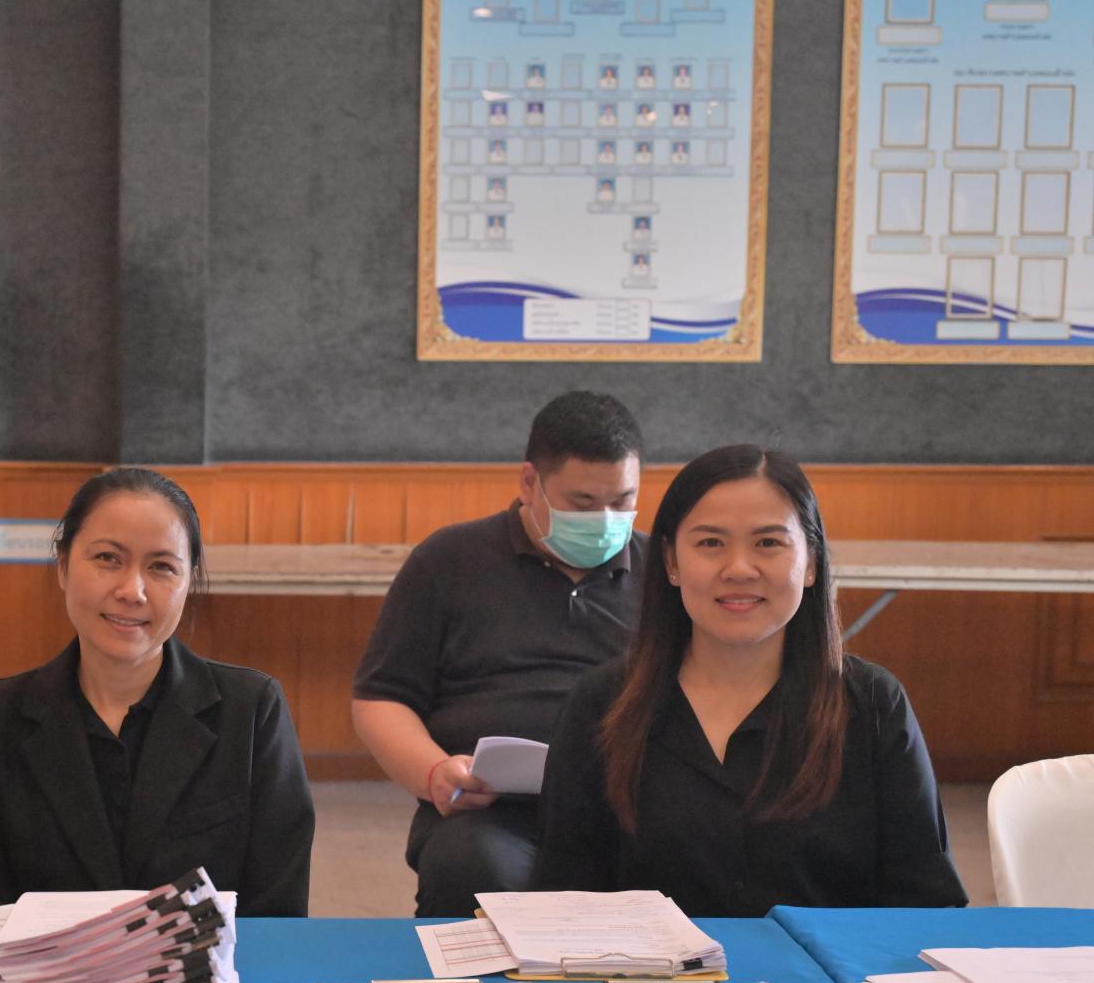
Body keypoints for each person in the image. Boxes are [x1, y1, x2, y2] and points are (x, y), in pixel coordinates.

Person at [534, 445, 967, 915]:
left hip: (825, 965)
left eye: (768, 543)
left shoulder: (874, 705)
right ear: (671, 562)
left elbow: (927, 906)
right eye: (710, 543)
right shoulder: (603, 705)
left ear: (812, 562)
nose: (739, 569)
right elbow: (562, 901)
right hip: (643, 965)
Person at [0, 467, 315, 916]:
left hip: (210, 965)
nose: (132, 590)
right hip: (45, 965)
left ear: (188, 582)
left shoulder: (252, 711)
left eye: (161, 567)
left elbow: (278, 912)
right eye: (107, 558)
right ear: (63, 566)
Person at [352, 392, 646, 916]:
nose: (605, 521)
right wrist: (435, 773)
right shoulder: (448, 561)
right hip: (488, 809)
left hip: (626, 806)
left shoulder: (667, 574)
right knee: (473, 869)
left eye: (622, 502)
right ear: (530, 482)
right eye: (582, 504)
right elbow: (381, 698)